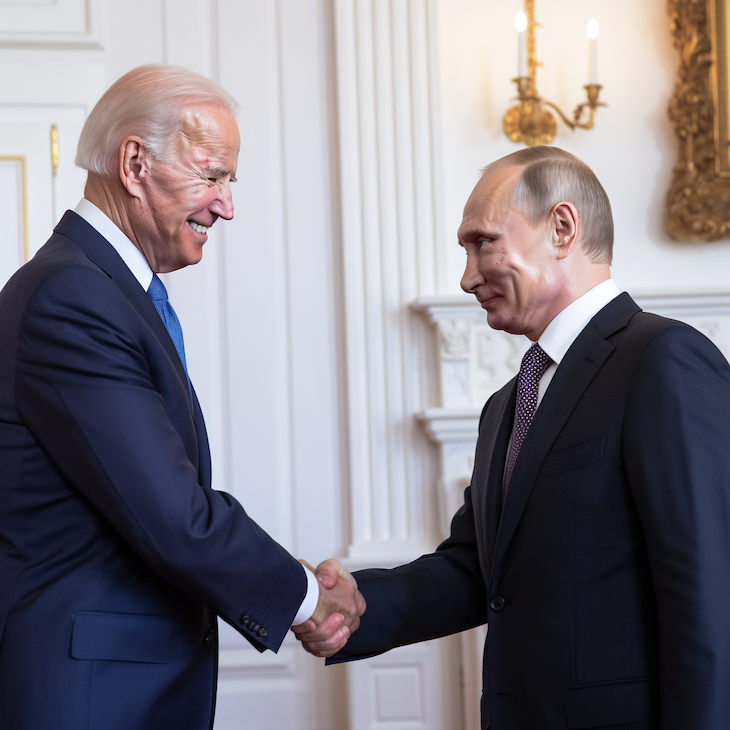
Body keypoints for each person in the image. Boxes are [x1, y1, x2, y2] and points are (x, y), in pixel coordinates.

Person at [294, 146, 730, 730]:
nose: (467, 276)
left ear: (561, 227)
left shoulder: (662, 359)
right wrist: (353, 607)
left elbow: (710, 594)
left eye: (483, 243)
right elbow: (478, 570)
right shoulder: (506, 405)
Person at [0, 64, 364, 730]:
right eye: (213, 175)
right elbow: (174, 517)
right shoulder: (72, 297)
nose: (227, 205)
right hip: (87, 698)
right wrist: (308, 597)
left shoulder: (103, 290)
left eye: (231, 180)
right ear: (135, 162)